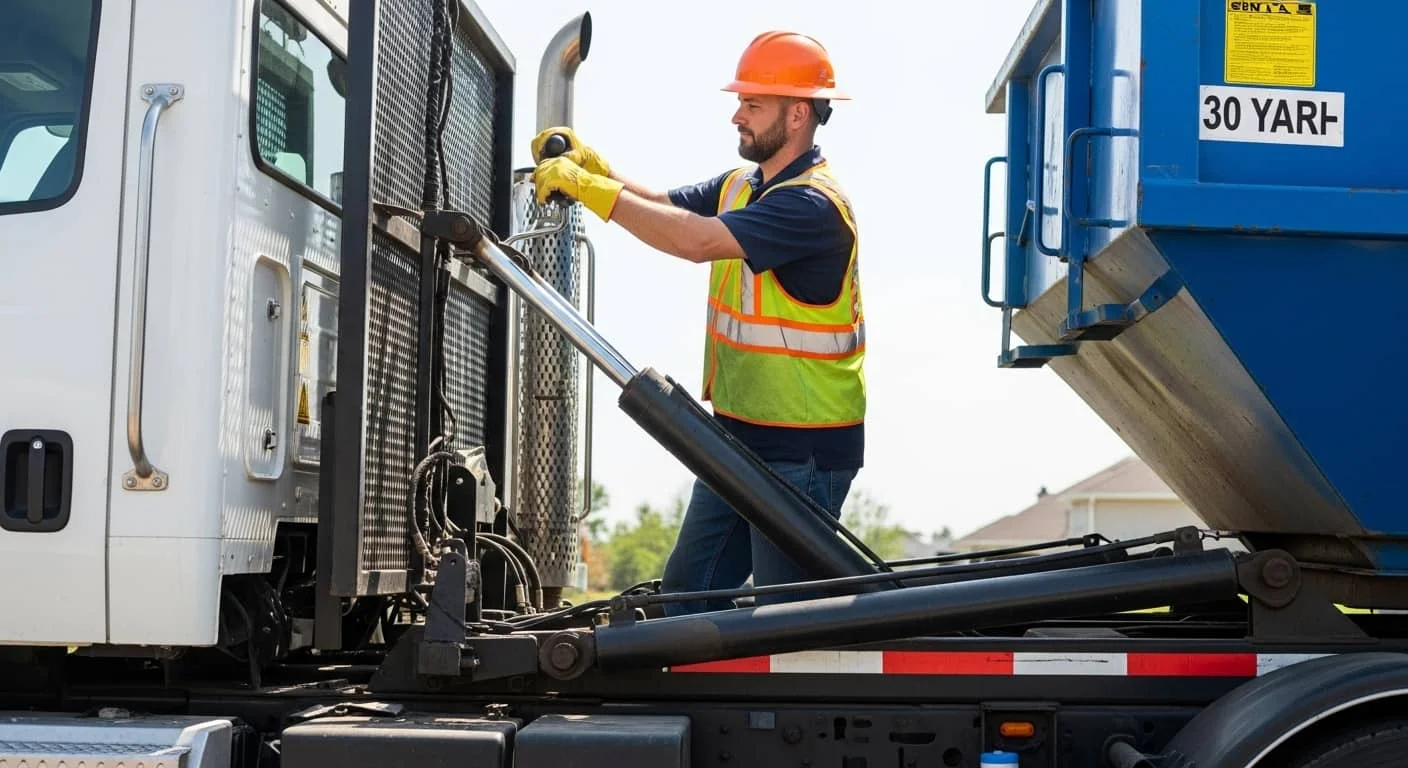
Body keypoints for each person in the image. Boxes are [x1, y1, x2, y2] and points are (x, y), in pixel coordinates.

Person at [530, 30, 865, 615]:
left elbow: (693, 240)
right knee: (686, 602)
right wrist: (596, 168)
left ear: (797, 114)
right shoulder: (747, 186)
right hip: (739, 439)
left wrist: (587, 191)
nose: (736, 114)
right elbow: (668, 205)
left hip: (801, 457)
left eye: (752, 104)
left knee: (784, 626)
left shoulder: (809, 206)